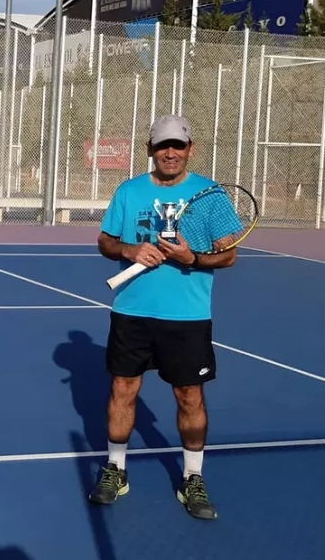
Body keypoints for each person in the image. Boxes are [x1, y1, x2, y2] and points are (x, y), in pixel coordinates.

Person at [91, 114, 236, 520]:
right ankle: (115, 469)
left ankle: (193, 477)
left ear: (190, 149)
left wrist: (193, 258)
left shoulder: (210, 195)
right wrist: (130, 251)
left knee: (189, 395)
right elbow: (105, 240)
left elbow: (229, 253)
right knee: (123, 389)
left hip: (187, 317)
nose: (169, 153)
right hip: (131, 312)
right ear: (150, 150)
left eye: (177, 145)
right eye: (161, 146)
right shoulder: (129, 191)